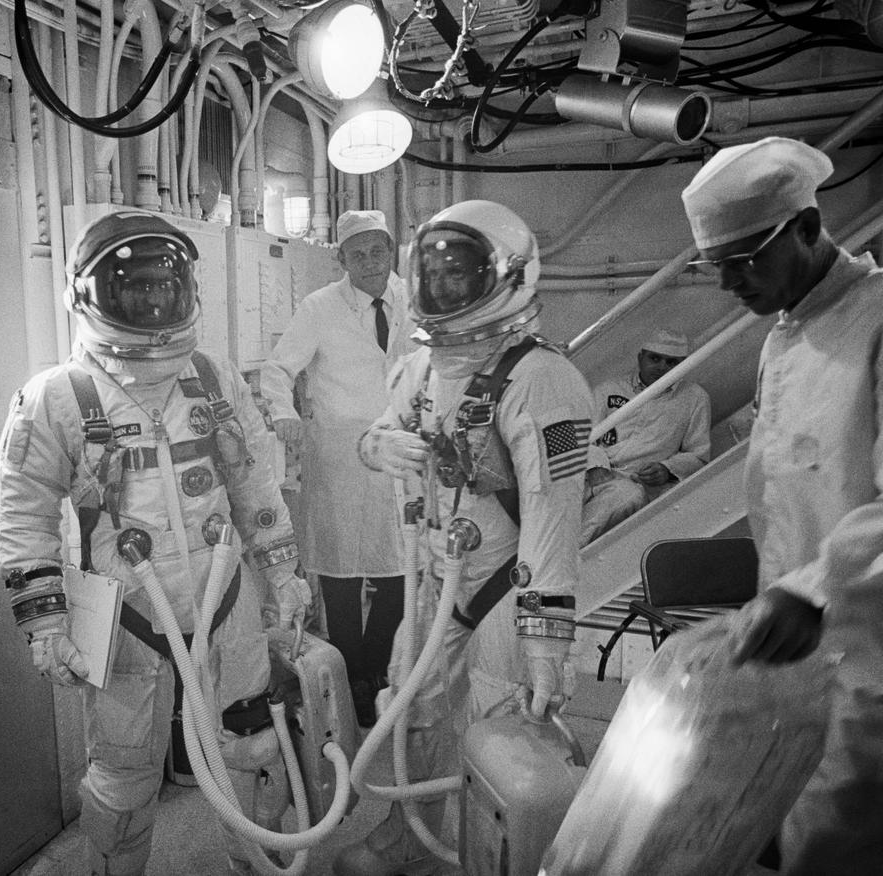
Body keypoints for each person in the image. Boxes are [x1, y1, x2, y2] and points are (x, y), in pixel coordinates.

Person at [0, 210, 311, 876]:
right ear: (88, 297)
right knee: (123, 779)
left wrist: (282, 574)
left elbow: (255, 483)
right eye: (132, 288)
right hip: (127, 616)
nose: (150, 300)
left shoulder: (212, 377)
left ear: (185, 289)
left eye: (162, 286)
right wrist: (45, 624)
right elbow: (23, 520)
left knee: (253, 747)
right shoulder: (55, 398)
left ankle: (255, 863)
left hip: (228, 600)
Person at [334, 200, 591, 876]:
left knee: (506, 728)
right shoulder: (418, 367)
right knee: (412, 705)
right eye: (434, 274)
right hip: (437, 572)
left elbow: (553, 518)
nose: (443, 288)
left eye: (460, 274)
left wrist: (546, 647)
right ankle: (409, 836)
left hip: (509, 579)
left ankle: (500, 857)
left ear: (506, 277)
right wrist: (376, 444)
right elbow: (379, 431)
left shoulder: (544, 380)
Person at [681, 136, 883, 874]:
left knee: (833, 846)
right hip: (795, 658)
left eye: (747, 260)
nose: (733, 283)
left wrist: (812, 591)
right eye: (718, 268)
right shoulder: (781, 338)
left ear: (806, 226)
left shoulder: (876, 321)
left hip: (868, 662)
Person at [260, 209, 414, 727]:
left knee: (399, 567)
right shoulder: (319, 307)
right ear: (340, 259)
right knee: (341, 571)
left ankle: (375, 666)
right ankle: (351, 677)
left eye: (379, 250)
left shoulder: (414, 302)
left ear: (392, 250)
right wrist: (283, 415)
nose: (371, 262)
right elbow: (278, 369)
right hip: (339, 455)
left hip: (400, 449)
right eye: (358, 254)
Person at [581, 329, 711, 543]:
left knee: (627, 496)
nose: (662, 367)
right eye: (655, 358)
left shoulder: (694, 399)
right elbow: (582, 435)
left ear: (683, 364)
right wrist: (595, 467)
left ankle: (566, 556)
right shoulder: (608, 389)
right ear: (641, 357)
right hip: (590, 472)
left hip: (633, 480)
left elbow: (699, 455)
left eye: (671, 362)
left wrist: (667, 469)